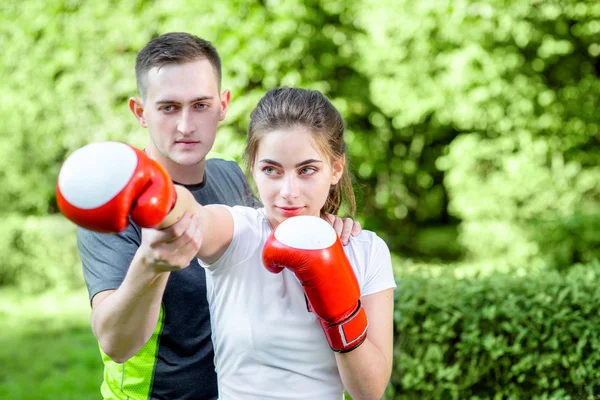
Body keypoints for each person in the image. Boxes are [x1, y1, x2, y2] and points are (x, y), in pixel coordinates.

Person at [76, 33, 360, 400]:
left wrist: (323, 227)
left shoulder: (231, 176)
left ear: (222, 106)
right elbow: (115, 343)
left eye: (200, 105)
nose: (185, 125)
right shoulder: (118, 201)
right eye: (168, 108)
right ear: (140, 112)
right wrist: (150, 264)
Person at [188, 87, 396, 399]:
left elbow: (370, 392)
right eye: (271, 170)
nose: (289, 191)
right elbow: (187, 218)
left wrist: (339, 312)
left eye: (307, 170)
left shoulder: (365, 250)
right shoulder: (236, 232)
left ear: (336, 169)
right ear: (253, 167)